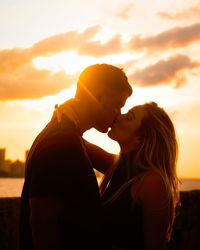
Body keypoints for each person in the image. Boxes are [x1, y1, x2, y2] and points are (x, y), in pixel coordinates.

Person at [19, 64, 132, 250]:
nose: (118, 114)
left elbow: (121, 168)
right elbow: (42, 224)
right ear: (100, 96)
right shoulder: (62, 143)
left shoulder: (67, 136)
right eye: (118, 105)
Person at [86, 102, 179, 250]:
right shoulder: (120, 167)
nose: (118, 116)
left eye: (129, 118)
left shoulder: (152, 183)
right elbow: (76, 141)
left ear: (140, 139)